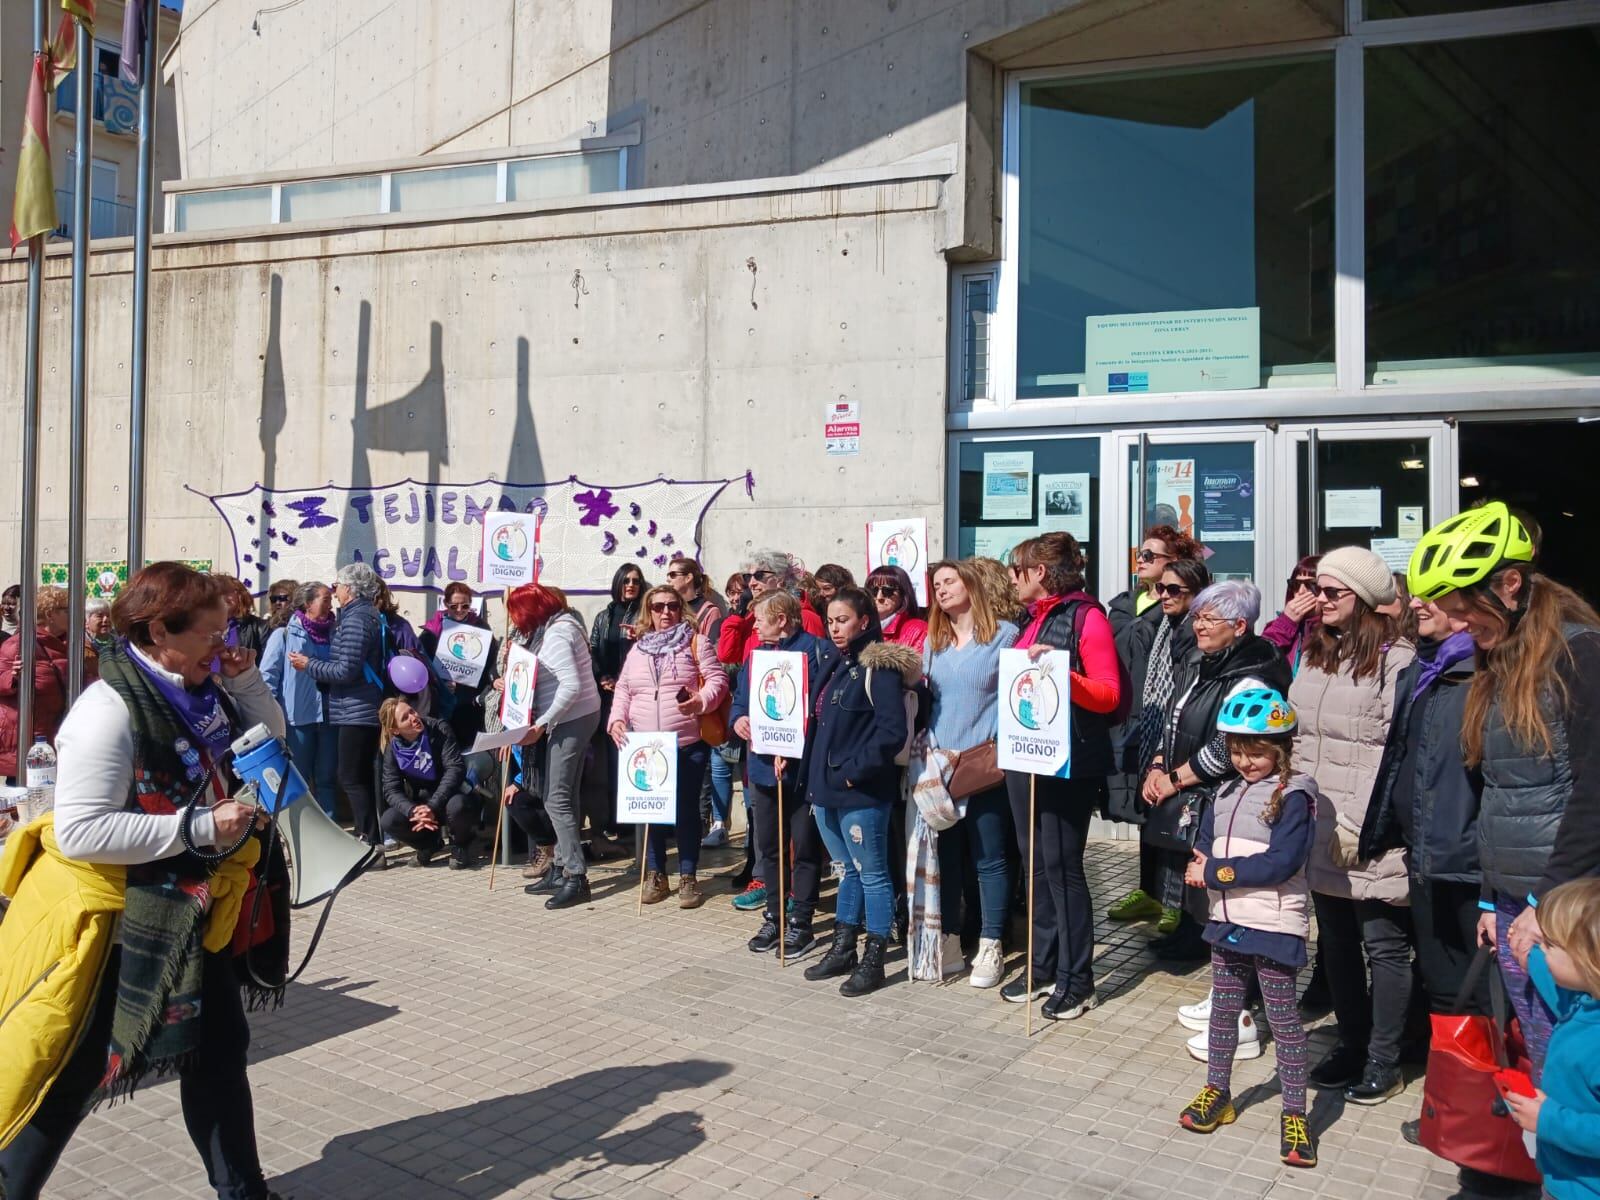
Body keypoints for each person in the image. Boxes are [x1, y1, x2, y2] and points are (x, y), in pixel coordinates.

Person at [0, 562, 290, 1200]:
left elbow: (269, 743)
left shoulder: (205, 684)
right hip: (115, 918)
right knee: (68, 1075)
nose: (226, 644)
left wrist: (248, 684)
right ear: (161, 629)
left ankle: (243, 1191)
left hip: (186, 903)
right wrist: (199, 829)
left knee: (218, 1052)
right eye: (213, 633)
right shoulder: (108, 709)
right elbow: (81, 832)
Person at [1408, 501, 1600, 1084]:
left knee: (1575, 1070)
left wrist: (1543, 903)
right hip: (1521, 902)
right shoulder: (1501, 660)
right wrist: (1495, 900)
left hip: (1568, 908)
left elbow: (1593, 793)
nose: (1459, 625)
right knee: (1542, 1057)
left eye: (1465, 610)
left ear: (1510, 584)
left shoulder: (1579, 655)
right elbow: (1499, 794)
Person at [1145, 581, 1295, 1054]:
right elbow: (1176, 717)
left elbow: (1230, 747)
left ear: (1239, 626)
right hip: (1204, 797)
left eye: (1209, 618)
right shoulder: (1205, 661)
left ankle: (1242, 1010)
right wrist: (1157, 762)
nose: (1198, 624)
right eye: (1199, 616)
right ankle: (1225, 995)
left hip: (1231, 800)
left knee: (1235, 905)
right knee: (1211, 907)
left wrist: (1176, 779)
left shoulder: (1253, 673)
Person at [1290, 545, 1416, 1104]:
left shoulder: (1398, 660)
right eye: (1318, 590)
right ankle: (1351, 1040)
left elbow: (1398, 752)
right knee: (1335, 941)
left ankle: (1384, 1059)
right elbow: (1299, 738)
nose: (1319, 601)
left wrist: (1368, 824)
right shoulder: (1315, 654)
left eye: (1332, 592)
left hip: (1370, 829)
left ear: (1364, 598)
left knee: (1382, 944)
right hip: (1321, 823)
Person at [1177, 687, 1318, 1170]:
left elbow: (1282, 862)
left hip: (1273, 925)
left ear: (1281, 748)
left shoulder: (1294, 795)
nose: (1245, 761)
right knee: (1223, 1012)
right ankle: (1218, 1091)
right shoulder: (1225, 790)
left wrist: (1215, 872)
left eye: (1255, 752)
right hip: (1227, 921)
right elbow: (1207, 841)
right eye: (1236, 751)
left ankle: (1295, 1114)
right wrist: (1200, 855)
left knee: (1283, 1022)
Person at [1000, 533, 1122, 1019]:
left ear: (1041, 573)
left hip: (1068, 762)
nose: (1012, 578)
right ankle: (1042, 962)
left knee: (1062, 867)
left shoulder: (1086, 617)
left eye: (1017, 570)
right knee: (1034, 866)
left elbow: (1109, 694)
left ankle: (1078, 978)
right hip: (1024, 754)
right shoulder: (1030, 619)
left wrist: (1061, 675)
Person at [799, 586, 916, 997]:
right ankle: (843, 946)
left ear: (864, 621)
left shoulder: (878, 666)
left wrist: (853, 773)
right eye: (830, 620)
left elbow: (891, 731)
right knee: (846, 870)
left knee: (873, 874)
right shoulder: (835, 661)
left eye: (842, 619)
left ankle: (875, 957)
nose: (834, 628)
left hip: (861, 791)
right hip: (825, 789)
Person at [919, 558, 1020, 988]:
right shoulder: (934, 640)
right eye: (936, 584)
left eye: (949, 581)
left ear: (971, 585)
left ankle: (992, 943)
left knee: (990, 857)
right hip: (940, 766)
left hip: (984, 763)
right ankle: (953, 940)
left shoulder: (1004, 635)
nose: (941, 590)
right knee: (948, 858)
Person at [608, 585, 728, 910]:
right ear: (649, 611)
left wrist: (701, 701)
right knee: (650, 814)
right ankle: (655, 874)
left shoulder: (696, 642)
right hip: (647, 747)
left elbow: (717, 680)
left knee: (686, 811)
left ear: (681, 609)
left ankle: (688, 876)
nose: (665, 613)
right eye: (658, 606)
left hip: (687, 742)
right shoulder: (638, 649)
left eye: (672, 606)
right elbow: (624, 689)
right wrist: (617, 720)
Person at [730, 590, 834, 956]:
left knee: (804, 847)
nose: (754, 624)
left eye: (760, 618)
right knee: (770, 848)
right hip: (762, 767)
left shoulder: (819, 653)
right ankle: (774, 915)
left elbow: (820, 712)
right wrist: (739, 719)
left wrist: (795, 745)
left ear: (782, 620)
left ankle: (801, 922)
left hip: (801, 769)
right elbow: (741, 699)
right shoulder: (757, 657)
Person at [1106, 525, 1201, 918]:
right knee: (1148, 808)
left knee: (1176, 812)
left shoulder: (1188, 622)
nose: (1140, 561)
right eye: (1139, 555)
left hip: (1174, 725)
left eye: (1150, 555)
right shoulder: (1130, 607)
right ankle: (1152, 893)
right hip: (1141, 720)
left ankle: (1176, 905)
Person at [495, 583, 603, 910]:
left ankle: (575, 875)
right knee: (563, 795)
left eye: (516, 612)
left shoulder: (556, 635)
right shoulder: (552, 628)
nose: (514, 619)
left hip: (571, 719)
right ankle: (559, 868)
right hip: (571, 717)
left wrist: (542, 724)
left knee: (556, 797)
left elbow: (570, 686)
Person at [1124, 557, 1211, 943]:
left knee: (1186, 836)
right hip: (1164, 740)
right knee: (1167, 832)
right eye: (1162, 587)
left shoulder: (1196, 635)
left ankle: (1189, 927)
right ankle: (1173, 913)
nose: (1164, 595)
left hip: (1190, 748)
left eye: (1175, 590)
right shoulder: (1167, 629)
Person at [1505, 878, 1600, 1200]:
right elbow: (1553, 981)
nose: (1540, 949)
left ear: (1590, 959)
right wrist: (1524, 949)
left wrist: (1548, 1120)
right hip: (1561, 1178)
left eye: (1549, 945)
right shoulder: (1584, 1003)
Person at [288, 562, 386, 859]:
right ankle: (372, 839)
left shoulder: (357, 620)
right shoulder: (363, 615)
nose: (336, 589)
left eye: (339, 584)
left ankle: (370, 843)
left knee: (351, 777)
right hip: (357, 707)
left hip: (357, 709)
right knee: (357, 776)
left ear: (351, 589)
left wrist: (309, 666)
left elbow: (345, 670)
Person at [260, 582, 339, 820]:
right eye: (325, 599)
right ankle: (303, 828)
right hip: (297, 718)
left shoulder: (336, 631)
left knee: (327, 778)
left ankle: (330, 827)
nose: (330, 604)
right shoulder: (283, 634)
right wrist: (273, 716)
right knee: (299, 778)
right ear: (308, 604)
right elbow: (268, 677)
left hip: (331, 715)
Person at [377, 697, 478, 869]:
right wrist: (413, 810)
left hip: (448, 797)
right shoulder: (393, 749)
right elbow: (391, 789)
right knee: (389, 820)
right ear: (395, 730)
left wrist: (432, 806)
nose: (413, 717)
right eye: (405, 718)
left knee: (459, 806)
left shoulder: (438, 728)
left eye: (412, 711)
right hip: (421, 803)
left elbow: (455, 769)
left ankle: (459, 846)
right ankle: (428, 845)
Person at [588, 565, 647, 853]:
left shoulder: (646, 613)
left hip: (637, 696)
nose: (631, 585)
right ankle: (614, 821)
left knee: (632, 759)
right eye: (626, 580)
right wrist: (602, 678)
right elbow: (593, 652)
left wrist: (639, 636)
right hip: (609, 696)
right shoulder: (604, 616)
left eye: (636, 581)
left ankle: (633, 825)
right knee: (608, 762)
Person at [0, 586, 75, 784]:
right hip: (27, 744)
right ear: (50, 614)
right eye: (67, 609)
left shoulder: (67, 644)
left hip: (53, 740)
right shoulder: (20, 644)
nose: (73, 614)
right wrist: (13, 678)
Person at [717, 549, 825, 667]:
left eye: (759, 575)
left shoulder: (805, 617)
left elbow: (816, 668)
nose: (752, 583)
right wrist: (738, 614)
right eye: (748, 577)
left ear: (780, 578)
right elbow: (726, 655)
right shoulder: (751, 619)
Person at [1261, 556, 1322, 673]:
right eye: (1296, 584)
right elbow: (1261, 658)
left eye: (1311, 585)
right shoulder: (1280, 625)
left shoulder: (1336, 628)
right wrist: (1286, 623)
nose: (1301, 591)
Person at [866, 564, 928, 652]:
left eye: (887, 591)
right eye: (873, 591)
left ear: (903, 595)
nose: (879, 597)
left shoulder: (919, 630)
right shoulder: (858, 628)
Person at [215, 575, 271, 659]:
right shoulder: (203, 626)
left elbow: (266, 666)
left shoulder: (261, 627)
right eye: (217, 593)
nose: (223, 597)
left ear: (240, 594)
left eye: (226, 592)